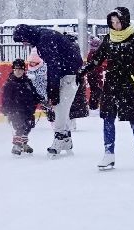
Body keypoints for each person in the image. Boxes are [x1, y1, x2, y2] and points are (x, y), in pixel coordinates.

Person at [79, 7, 134, 170]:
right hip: (111, 84)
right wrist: (83, 70)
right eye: (112, 22)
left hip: (130, 84)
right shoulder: (108, 39)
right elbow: (97, 60)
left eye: (118, 22)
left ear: (125, 21)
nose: (115, 25)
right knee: (107, 118)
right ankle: (108, 154)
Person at [12, 22, 85, 155]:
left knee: (61, 107)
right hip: (67, 73)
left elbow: (54, 65)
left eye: (23, 41)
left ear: (27, 36)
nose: (24, 44)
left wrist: (53, 89)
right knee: (59, 107)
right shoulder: (42, 36)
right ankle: (67, 140)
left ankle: (59, 137)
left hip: (69, 74)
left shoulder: (45, 39)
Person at [1, 58, 44, 156]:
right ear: (13, 70)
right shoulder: (10, 83)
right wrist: (6, 108)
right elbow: (6, 98)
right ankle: (17, 145)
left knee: (28, 127)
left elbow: (34, 93)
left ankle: (24, 143)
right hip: (15, 111)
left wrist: (40, 99)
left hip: (28, 110)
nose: (18, 71)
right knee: (19, 127)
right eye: (16, 69)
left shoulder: (27, 82)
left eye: (21, 69)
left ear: (24, 70)